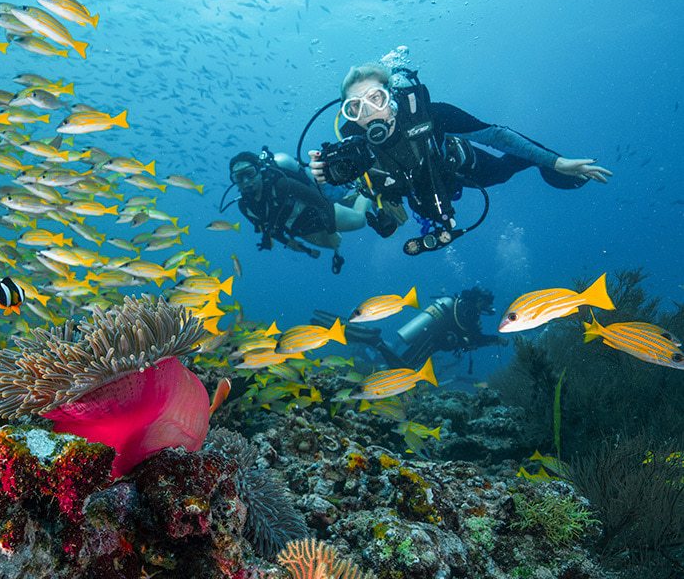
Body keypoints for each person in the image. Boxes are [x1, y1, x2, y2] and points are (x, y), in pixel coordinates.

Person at [309, 64, 613, 255]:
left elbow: (494, 135)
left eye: (375, 98)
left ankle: (535, 163)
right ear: (348, 114)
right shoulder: (351, 149)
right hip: (412, 192)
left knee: (501, 172)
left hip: (457, 167)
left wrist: (555, 162)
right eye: (355, 107)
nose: (369, 112)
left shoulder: (431, 114)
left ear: (390, 96)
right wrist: (323, 177)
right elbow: (348, 191)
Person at [228, 148, 371, 274]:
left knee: (360, 220)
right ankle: (348, 199)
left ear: (259, 171)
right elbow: (268, 227)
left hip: (318, 213)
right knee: (332, 245)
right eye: (239, 177)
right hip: (303, 230)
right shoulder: (244, 206)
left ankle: (371, 190)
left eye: (249, 173)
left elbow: (321, 203)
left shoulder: (282, 184)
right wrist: (288, 242)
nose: (246, 181)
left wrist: (332, 232)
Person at [395, 286, 506, 369]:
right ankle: (390, 375)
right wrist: (496, 339)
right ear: (480, 300)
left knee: (412, 358)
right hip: (433, 337)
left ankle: (392, 376)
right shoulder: (470, 311)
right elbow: (475, 338)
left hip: (433, 337)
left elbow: (469, 336)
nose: (486, 308)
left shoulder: (464, 306)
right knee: (410, 361)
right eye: (486, 304)